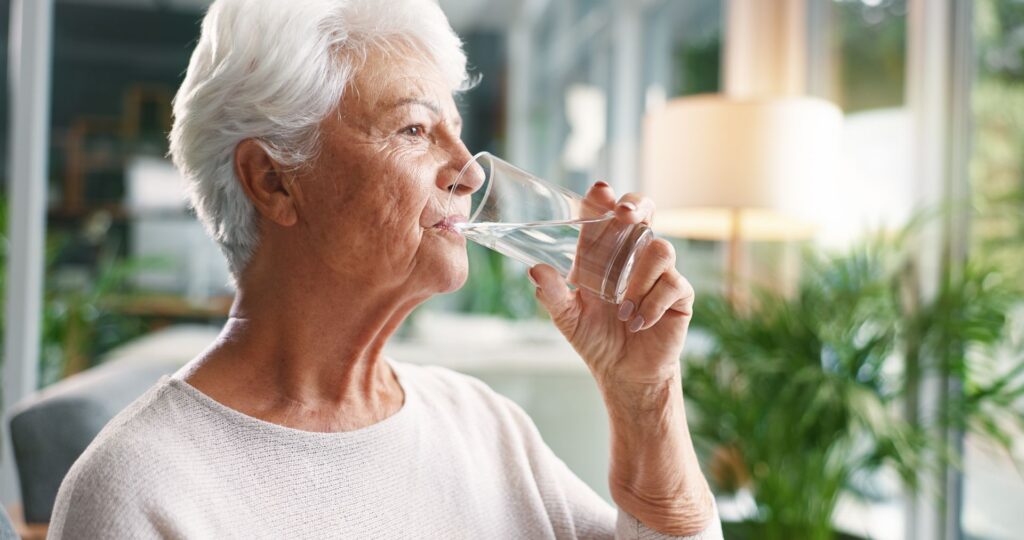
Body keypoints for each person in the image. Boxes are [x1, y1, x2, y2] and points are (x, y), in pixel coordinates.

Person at [49, 0, 721, 538]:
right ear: (274, 181)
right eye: (413, 131)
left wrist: (645, 397)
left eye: (456, 131)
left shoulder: (484, 427)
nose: (465, 170)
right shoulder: (141, 488)